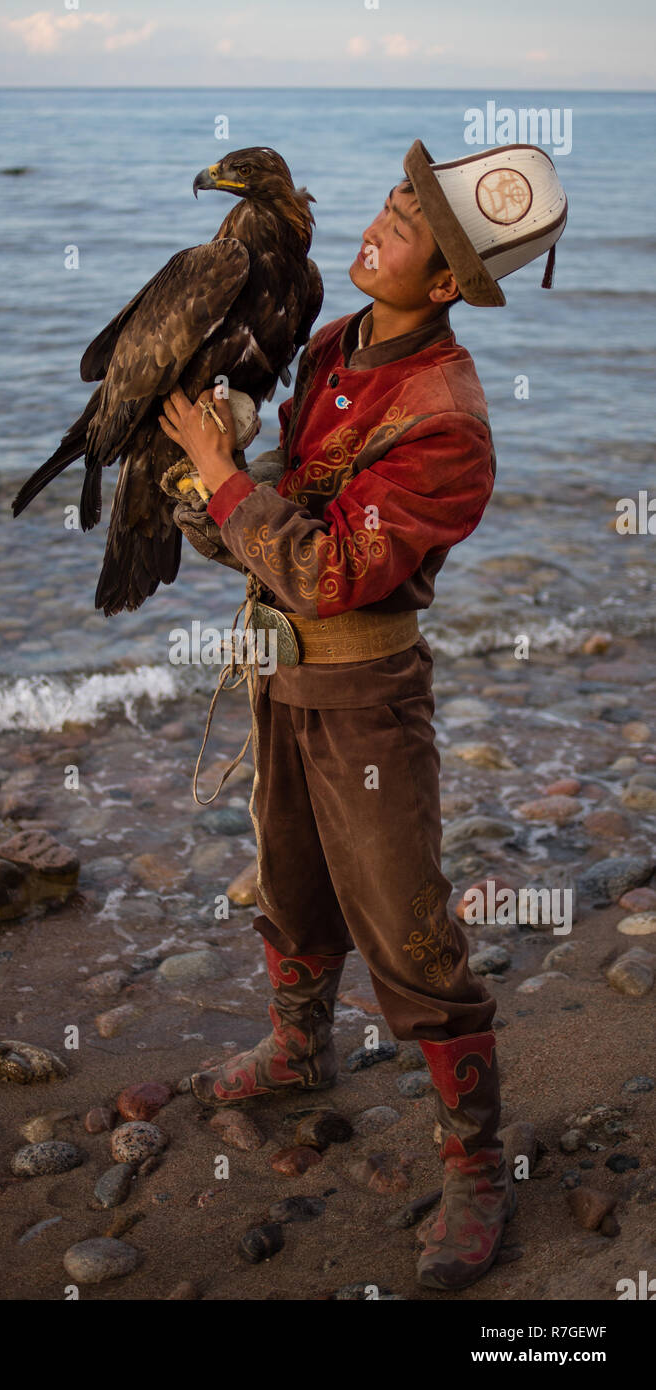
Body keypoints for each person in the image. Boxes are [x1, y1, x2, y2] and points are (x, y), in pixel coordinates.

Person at [158, 140, 567, 1292]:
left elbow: (335, 573)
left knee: (407, 926)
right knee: (284, 872)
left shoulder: (447, 420)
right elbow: (291, 491)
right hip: (278, 673)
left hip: (365, 693)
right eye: (388, 202)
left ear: (443, 285)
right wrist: (210, 481)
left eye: (405, 224)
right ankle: (297, 1049)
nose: (376, 224)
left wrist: (220, 479)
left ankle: (476, 1165)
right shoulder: (336, 342)